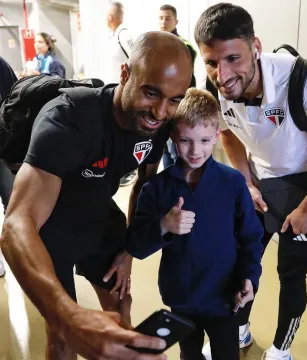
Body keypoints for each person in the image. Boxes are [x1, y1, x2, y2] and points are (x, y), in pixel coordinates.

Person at [0, 31, 192, 360]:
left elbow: (143, 187)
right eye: (151, 93)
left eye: (174, 100)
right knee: (62, 334)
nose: (160, 112)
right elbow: (17, 223)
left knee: (121, 311)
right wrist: (69, 315)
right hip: (52, 234)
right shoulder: (70, 117)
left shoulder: (155, 127)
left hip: (102, 223)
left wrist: (130, 250)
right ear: (125, 74)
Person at [194, 3, 307, 360]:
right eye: (211, 62)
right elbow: (227, 133)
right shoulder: (216, 84)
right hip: (257, 181)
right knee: (239, 262)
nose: (223, 74)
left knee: (291, 274)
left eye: (233, 58)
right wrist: (245, 180)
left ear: (256, 47)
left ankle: (281, 349)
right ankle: (239, 330)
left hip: (302, 183)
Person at [126, 88, 264, 360]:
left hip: (224, 298)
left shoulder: (233, 183)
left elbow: (251, 237)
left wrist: (250, 276)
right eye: (186, 140)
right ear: (173, 138)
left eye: (203, 140)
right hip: (182, 298)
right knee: (190, 355)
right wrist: (164, 226)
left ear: (216, 136)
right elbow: (137, 246)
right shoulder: (157, 189)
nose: (195, 150)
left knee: (227, 354)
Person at [159, 4, 198, 169]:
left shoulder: (184, 46)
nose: (164, 21)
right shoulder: (157, 44)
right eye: (161, 18)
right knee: (164, 152)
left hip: (177, 107)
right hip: (160, 108)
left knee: (176, 151)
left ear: (176, 21)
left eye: (168, 18)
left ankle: (180, 190)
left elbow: (184, 81)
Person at [106, 1, 137, 186]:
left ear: (111, 17)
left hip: (127, 94)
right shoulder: (114, 36)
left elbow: (138, 58)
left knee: (127, 130)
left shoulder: (124, 35)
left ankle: (130, 169)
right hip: (114, 92)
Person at [0, 56, 18, 277]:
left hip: (2, 148)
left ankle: (16, 253)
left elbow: (15, 100)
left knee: (13, 202)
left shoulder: (1, 66)